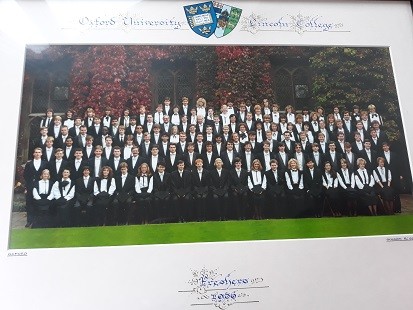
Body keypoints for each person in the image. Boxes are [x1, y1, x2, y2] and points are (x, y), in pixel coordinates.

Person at [24, 147, 48, 227]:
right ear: (33, 154)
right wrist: (27, 187)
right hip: (31, 185)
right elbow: (25, 175)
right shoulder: (29, 164)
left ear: (41, 154)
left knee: (39, 202)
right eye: (36, 152)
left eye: (39, 152)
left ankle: (39, 221)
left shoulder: (45, 163)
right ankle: (29, 221)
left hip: (41, 185)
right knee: (30, 203)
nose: (37, 154)